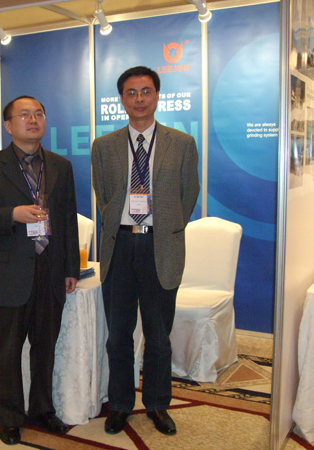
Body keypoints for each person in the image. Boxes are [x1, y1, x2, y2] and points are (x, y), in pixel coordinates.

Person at [91, 66, 200, 436]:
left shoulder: (181, 143)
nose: (139, 99)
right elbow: (104, 195)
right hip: (119, 246)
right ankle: (121, 404)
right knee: (118, 336)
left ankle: (157, 405)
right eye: (131, 92)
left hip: (160, 246)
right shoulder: (104, 146)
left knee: (158, 336)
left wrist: (165, 227)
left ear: (157, 95)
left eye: (146, 91)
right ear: (122, 99)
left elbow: (189, 194)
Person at [0, 95, 80, 445]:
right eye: (24, 115)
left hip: (51, 270)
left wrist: (71, 267)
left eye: (39, 114)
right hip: (11, 271)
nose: (33, 120)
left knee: (45, 347)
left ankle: (43, 410)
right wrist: (12, 215)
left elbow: (68, 220)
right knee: (9, 349)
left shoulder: (60, 165)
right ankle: (10, 417)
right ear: (8, 125)